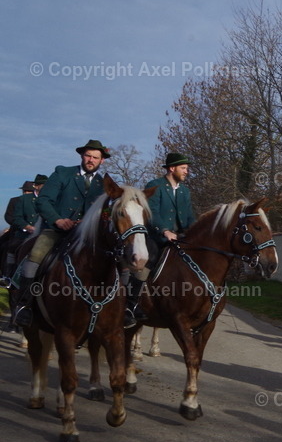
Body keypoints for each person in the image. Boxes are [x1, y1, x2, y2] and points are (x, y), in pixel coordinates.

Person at [9, 140, 110, 327]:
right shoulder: (63, 173)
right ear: (82, 156)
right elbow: (44, 201)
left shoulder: (103, 184)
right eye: (88, 156)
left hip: (87, 235)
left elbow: (105, 212)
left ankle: (116, 307)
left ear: (102, 161)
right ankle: (24, 306)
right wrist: (58, 220)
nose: (91, 160)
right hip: (57, 229)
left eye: (95, 157)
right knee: (35, 256)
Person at [121, 153, 196, 327]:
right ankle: (130, 305)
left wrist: (196, 231)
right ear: (172, 168)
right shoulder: (155, 185)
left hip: (180, 236)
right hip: (155, 235)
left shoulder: (185, 191)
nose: (187, 171)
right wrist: (164, 230)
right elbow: (150, 212)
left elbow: (189, 216)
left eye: (186, 168)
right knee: (149, 257)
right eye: (183, 168)